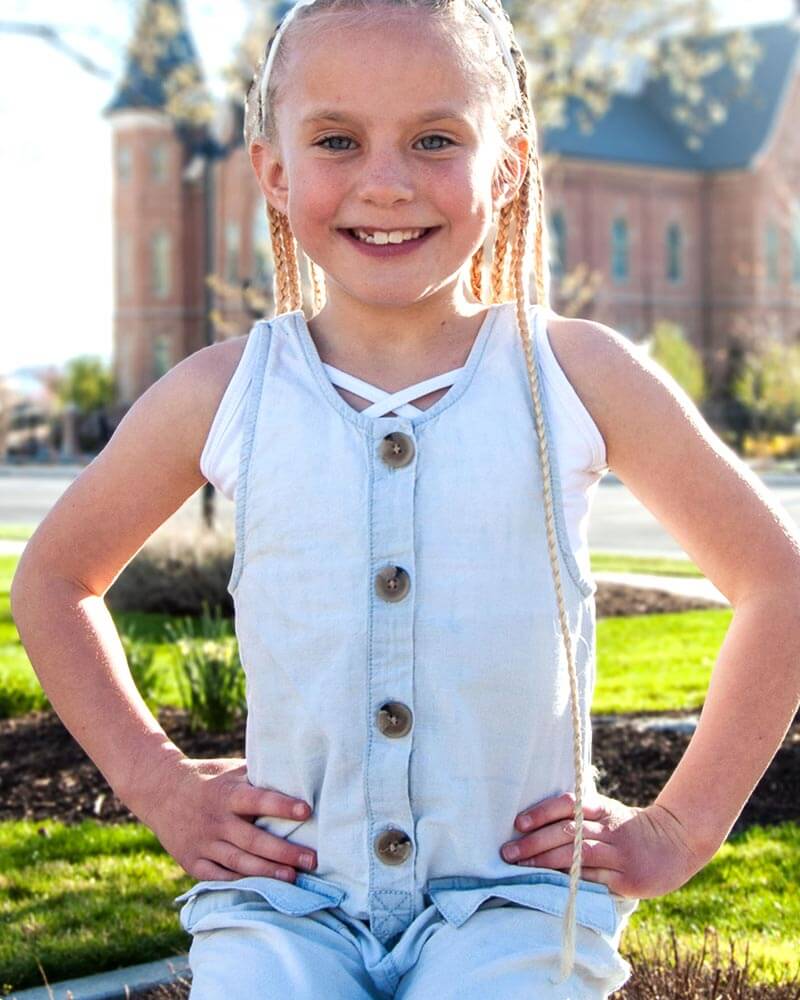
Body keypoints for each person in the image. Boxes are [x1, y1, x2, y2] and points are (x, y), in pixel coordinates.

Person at [10, 0, 800, 997]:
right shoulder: (224, 390)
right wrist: (158, 784)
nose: (385, 181)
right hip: (285, 902)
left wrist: (678, 826)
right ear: (274, 170)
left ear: (505, 163)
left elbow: (776, 581)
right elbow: (55, 577)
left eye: (434, 138)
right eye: (337, 139)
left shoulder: (571, 375)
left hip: (516, 901)